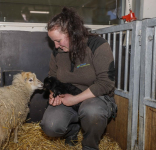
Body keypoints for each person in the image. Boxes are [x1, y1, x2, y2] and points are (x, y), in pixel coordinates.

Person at [40, 7, 116, 150]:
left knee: (92, 112)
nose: (56, 46)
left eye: (58, 40)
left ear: (72, 33)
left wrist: (75, 99)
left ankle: (89, 146)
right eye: (53, 42)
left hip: (95, 97)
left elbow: (106, 83)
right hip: (67, 95)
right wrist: (53, 94)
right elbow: (53, 77)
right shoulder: (58, 52)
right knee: (50, 125)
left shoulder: (97, 45)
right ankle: (73, 131)